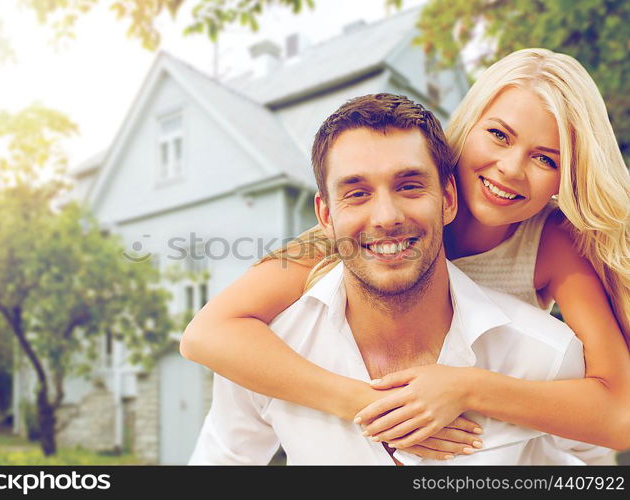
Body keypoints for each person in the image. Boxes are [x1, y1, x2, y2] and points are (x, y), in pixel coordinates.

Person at [181, 49, 630, 461]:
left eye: (546, 159)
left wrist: (467, 387)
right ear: (468, 126)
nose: (510, 168)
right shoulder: (357, 231)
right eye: (498, 135)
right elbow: (206, 333)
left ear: (565, 178)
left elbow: (617, 414)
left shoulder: (552, 244)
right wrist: (369, 405)